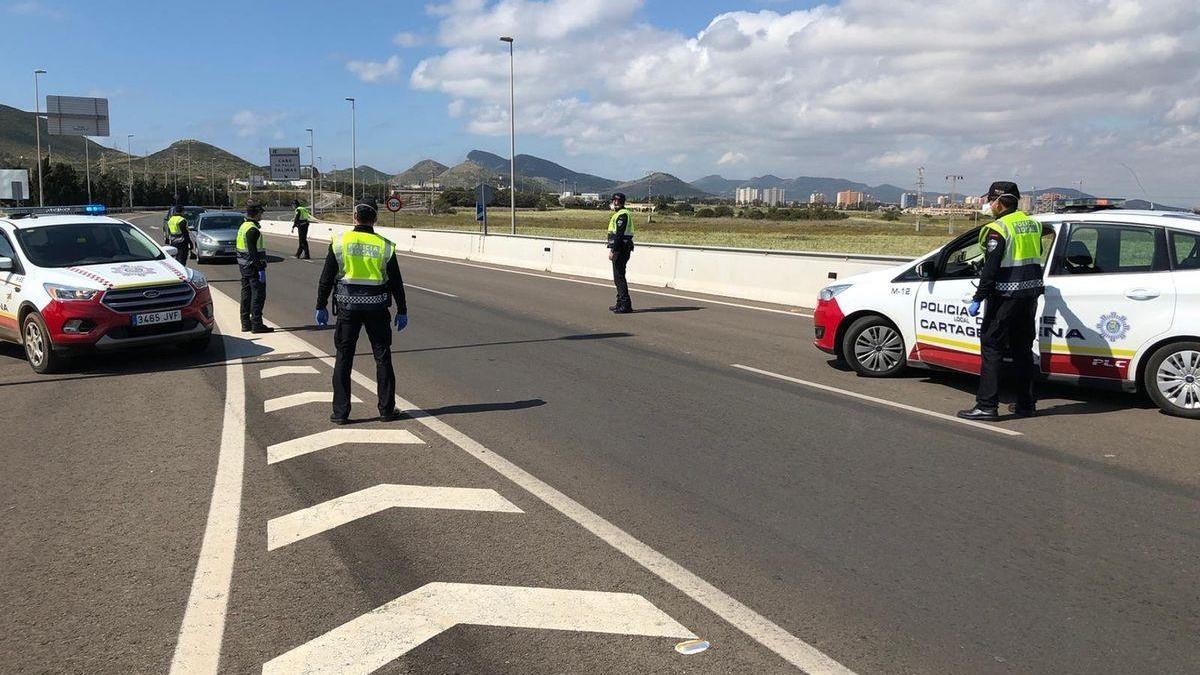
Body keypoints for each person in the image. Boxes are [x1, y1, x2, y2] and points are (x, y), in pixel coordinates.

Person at [315, 198, 408, 424]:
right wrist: (402, 309)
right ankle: (386, 410)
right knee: (382, 358)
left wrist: (321, 305)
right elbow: (396, 282)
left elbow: (326, 278)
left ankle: (340, 413)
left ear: (354, 217)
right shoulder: (385, 246)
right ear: (375, 219)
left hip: (348, 309)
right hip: (377, 309)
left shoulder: (339, 242)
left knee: (344, 358)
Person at [957, 181, 1044, 421]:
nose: (988, 205)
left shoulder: (998, 229)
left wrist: (978, 297)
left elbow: (991, 269)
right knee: (1022, 350)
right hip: (1029, 296)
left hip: (1004, 297)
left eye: (990, 200)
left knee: (992, 348)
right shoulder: (1033, 224)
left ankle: (986, 406)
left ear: (999, 201)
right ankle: (1027, 403)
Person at [235, 201, 274, 334]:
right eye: (261, 213)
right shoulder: (252, 230)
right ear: (256, 214)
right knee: (258, 295)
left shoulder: (243, 226)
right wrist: (260, 268)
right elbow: (253, 252)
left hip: (243, 266)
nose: (262, 215)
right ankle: (257, 323)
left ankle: (245, 323)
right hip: (253, 267)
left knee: (246, 294)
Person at [606, 192, 634, 313]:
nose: (615, 202)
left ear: (622, 202)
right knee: (617, 277)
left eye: (617, 201)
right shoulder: (619, 214)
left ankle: (625, 304)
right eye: (614, 200)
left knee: (619, 277)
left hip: (621, 248)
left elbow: (619, 235)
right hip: (622, 247)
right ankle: (619, 303)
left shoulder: (622, 215)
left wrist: (613, 250)